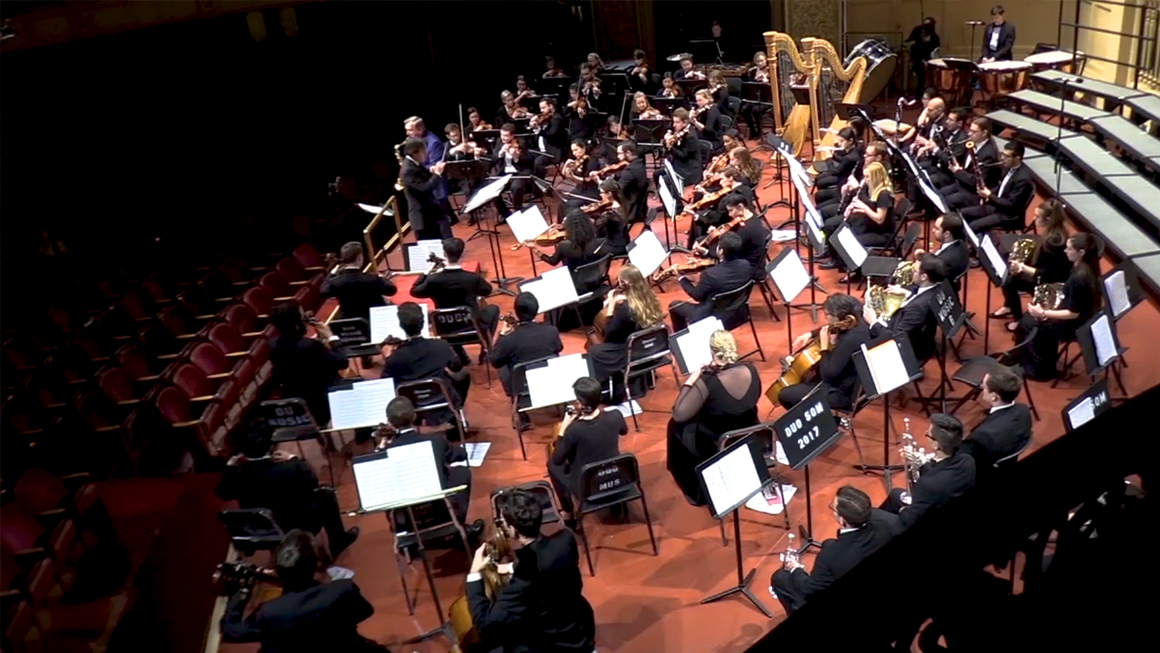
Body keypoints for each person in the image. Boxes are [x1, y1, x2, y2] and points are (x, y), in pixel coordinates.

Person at [466, 490, 596, 653]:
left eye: (502, 522)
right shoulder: (565, 540)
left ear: (513, 530)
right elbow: (545, 560)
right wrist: (510, 567)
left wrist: (474, 573)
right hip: (580, 628)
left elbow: (485, 625)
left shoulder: (523, 581)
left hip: (556, 644)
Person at [221, 530, 387, 653]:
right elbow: (365, 611)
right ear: (315, 564)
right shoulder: (343, 589)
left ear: (278, 570)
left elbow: (233, 631)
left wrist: (240, 592)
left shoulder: (269, 612)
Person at [219, 424, 360, 556]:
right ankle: (338, 542)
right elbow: (312, 482)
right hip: (298, 525)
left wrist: (230, 468)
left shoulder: (236, 475)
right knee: (326, 494)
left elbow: (223, 493)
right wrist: (294, 458)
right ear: (271, 445)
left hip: (263, 530)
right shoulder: (291, 467)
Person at [667, 330, 762, 506]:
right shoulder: (751, 369)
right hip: (749, 432)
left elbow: (679, 413)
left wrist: (691, 379)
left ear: (712, 352)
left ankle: (694, 488)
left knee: (674, 426)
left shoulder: (708, 381)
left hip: (716, 440)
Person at [770, 486, 901, 614]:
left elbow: (808, 589)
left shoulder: (831, 555)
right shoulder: (890, 521)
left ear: (842, 519)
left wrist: (795, 568)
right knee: (828, 543)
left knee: (780, 578)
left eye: (833, 508)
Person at [376, 397, 484, 539]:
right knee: (462, 472)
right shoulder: (436, 441)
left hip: (405, 519)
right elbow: (461, 455)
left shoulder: (384, 453)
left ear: (389, 422)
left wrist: (381, 447)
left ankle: (405, 536)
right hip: (439, 510)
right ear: (415, 416)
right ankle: (457, 525)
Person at [1014, 232, 1103, 381]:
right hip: (1085, 313)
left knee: (1027, 322)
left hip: (1075, 324)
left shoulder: (1079, 277)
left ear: (1081, 252)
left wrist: (1043, 312)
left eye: (1069, 249)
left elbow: (1073, 314)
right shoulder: (1087, 266)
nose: (1065, 251)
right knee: (1031, 318)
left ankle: (1041, 370)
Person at [380, 302, 471, 427]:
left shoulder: (395, 357)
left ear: (401, 325)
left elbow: (385, 382)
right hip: (440, 398)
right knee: (463, 375)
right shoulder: (441, 346)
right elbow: (456, 367)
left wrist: (388, 357)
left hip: (411, 404)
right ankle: (455, 415)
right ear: (423, 324)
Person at [548, 377, 629, 517]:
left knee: (552, 465)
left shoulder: (574, 430)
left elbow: (557, 459)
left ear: (580, 404)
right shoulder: (615, 415)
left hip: (589, 488)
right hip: (616, 478)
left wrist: (564, 428)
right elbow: (624, 430)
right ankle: (616, 506)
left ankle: (568, 512)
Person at [777, 293, 872, 412]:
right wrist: (811, 334)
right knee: (809, 377)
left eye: (827, 315)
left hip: (842, 394)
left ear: (839, 316)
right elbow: (834, 326)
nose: (825, 317)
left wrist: (824, 347)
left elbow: (828, 375)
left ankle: (823, 422)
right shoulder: (857, 318)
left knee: (785, 395)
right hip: (851, 381)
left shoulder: (849, 340)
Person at [880, 413, 977, 529]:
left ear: (936, 445)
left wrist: (903, 510)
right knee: (896, 494)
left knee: (878, 515)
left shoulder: (927, 485)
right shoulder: (968, 460)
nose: (925, 434)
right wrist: (921, 463)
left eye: (928, 434)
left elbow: (910, 518)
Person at [992, 199, 1071, 331]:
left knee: (1009, 281)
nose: (1033, 218)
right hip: (1052, 271)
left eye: (1037, 216)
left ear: (1048, 219)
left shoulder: (1052, 242)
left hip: (1051, 282)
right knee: (1011, 274)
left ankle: (1017, 318)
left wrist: (1021, 267)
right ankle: (1008, 306)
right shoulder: (1057, 231)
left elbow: (1044, 273)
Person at [587, 264, 666, 394]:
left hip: (632, 351)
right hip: (653, 346)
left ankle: (607, 389)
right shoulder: (650, 296)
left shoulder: (625, 309)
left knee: (595, 350)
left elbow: (608, 334)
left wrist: (611, 305)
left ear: (625, 283)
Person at [269, 303, 349, 427]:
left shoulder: (273, 346)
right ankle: (363, 431)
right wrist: (331, 337)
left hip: (296, 402)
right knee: (358, 383)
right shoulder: (310, 346)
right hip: (321, 401)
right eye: (303, 318)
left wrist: (319, 343)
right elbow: (343, 362)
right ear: (297, 325)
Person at [410, 237, 500, 345]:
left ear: (444, 254)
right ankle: (485, 345)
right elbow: (487, 291)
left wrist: (426, 273)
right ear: (462, 255)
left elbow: (414, 291)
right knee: (494, 309)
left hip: (444, 328)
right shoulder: (473, 278)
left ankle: (461, 355)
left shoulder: (433, 280)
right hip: (471, 327)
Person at [863, 254, 945, 364]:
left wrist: (873, 322)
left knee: (855, 331)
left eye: (915, 271)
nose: (912, 273)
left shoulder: (917, 308)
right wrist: (907, 293)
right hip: (920, 337)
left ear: (924, 277)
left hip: (909, 349)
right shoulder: (938, 288)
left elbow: (896, 339)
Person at [668, 231, 753, 332]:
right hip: (738, 314)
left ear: (721, 251)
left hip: (713, 317)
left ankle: (681, 340)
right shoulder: (746, 265)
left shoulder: (710, 274)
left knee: (674, 306)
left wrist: (681, 278)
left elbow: (697, 295)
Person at [490, 292, 564, 398]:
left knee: (503, 368)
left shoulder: (508, 340)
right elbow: (559, 348)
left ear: (516, 311)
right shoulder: (551, 331)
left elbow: (495, 362)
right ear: (537, 310)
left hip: (522, 384)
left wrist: (502, 335)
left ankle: (516, 400)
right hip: (549, 376)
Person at [961, 365, 1033, 475]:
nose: (981, 387)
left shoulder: (982, 436)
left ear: (994, 396)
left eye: (984, 387)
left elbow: (964, 462)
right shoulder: (1024, 411)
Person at [524, 211, 608, 294]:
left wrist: (535, 249)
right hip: (596, 279)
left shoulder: (564, 246)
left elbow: (552, 261)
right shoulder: (598, 241)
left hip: (575, 284)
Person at [961, 140, 1034, 234]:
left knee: (974, 226)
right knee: (964, 213)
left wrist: (990, 195)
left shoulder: (1023, 179)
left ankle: (974, 246)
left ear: (1017, 158)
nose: (1002, 158)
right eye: (1002, 154)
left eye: (1007, 156)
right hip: (998, 206)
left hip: (1009, 216)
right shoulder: (1007, 167)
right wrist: (988, 193)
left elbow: (1010, 205)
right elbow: (1002, 186)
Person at [320, 242, 397, 323]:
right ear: (360, 257)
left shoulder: (336, 282)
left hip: (351, 323)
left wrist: (332, 273)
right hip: (375, 320)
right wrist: (381, 278)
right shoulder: (372, 279)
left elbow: (323, 291)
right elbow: (392, 290)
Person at [940, 117, 1002, 210]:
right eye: (970, 130)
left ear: (984, 133)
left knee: (948, 200)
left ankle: (952, 221)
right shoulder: (973, 143)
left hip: (975, 193)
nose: (969, 134)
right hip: (964, 185)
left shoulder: (988, 154)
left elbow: (974, 181)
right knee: (941, 192)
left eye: (974, 132)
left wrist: (957, 171)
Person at [404, 116, 456, 227]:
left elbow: (434, 165)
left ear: (420, 129)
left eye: (410, 130)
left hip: (435, 184)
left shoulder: (433, 143)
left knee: (441, 221)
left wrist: (414, 165)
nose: (407, 133)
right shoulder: (412, 140)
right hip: (425, 182)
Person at [400, 137, 450, 240]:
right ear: (415, 152)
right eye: (424, 151)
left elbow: (423, 177)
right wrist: (437, 174)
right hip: (422, 217)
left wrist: (432, 171)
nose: (426, 153)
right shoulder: (408, 170)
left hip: (431, 212)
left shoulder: (414, 163)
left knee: (445, 237)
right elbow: (424, 188)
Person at [913, 212, 970, 290]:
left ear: (947, 234)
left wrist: (921, 260)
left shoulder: (945, 261)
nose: (933, 230)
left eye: (936, 229)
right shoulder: (961, 244)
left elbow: (929, 281)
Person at [489, 129, 536, 221]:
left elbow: (529, 162)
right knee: (492, 188)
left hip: (519, 173)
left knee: (516, 187)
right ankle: (504, 212)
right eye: (502, 135)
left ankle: (518, 209)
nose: (503, 137)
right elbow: (493, 160)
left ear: (512, 136)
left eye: (506, 135)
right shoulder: (499, 142)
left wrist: (516, 158)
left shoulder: (521, 143)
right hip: (504, 174)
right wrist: (501, 153)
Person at [591, 179, 631, 257]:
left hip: (615, 247)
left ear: (609, 194)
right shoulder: (621, 204)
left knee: (585, 251)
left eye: (601, 192)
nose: (600, 195)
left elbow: (595, 229)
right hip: (622, 242)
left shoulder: (610, 213)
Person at [664, 108, 704, 187]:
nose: (674, 125)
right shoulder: (680, 131)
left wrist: (670, 146)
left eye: (677, 122)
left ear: (685, 122)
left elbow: (683, 156)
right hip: (680, 163)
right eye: (674, 122)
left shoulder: (690, 136)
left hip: (689, 169)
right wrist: (666, 142)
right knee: (657, 174)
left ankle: (675, 197)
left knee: (665, 180)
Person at [530, 97, 567, 179]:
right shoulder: (546, 118)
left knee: (538, 162)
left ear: (550, 106)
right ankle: (530, 180)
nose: (541, 111)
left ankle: (540, 183)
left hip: (551, 151)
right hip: (541, 149)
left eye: (543, 108)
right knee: (527, 156)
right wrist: (534, 125)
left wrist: (539, 130)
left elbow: (552, 135)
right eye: (540, 108)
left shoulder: (557, 118)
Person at [906, 17, 941, 92]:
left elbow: (935, 51)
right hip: (919, 61)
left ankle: (931, 89)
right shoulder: (919, 37)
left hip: (931, 61)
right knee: (920, 70)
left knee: (930, 71)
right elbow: (914, 49)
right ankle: (920, 90)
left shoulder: (935, 38)